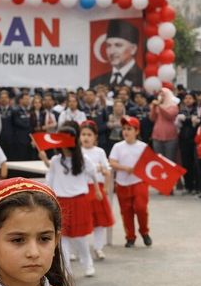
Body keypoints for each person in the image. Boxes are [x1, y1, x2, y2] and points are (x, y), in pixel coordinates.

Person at [46, 125, 102, 277]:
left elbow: (93, 175)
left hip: (78, 201)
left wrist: (97, 190)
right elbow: (49, 180)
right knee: (61, 237)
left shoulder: (83, 159)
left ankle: (88, 264)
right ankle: (66, 269)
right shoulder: (56, 161)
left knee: (79, 238)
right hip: (61, 202)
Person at [109, 115, 152, 248]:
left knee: (141, 208)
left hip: (139, 182)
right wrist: (125, 168)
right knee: (126, 211)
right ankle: (130, 237)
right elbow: (112, 162)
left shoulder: (143, 146)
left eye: (129, 129)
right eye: (124, 129)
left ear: (137, 131)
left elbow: (149, 163)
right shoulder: (118, 146)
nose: (126, 131)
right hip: (122, 183)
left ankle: (144, 231)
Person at [81, 121, 115, 260]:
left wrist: (106, 188)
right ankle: (76, 249)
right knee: (81, 221)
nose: (86, 137)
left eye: (89, 134)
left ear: (95, 137)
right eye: (83, 134)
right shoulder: (77, 152)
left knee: (99, 222)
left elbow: (107, 171)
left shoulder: (99, 151)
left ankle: (98, 247)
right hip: (81, 190)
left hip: (97, 190)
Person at [91, 18, 143, 88]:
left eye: (118, 45)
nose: (112, 52)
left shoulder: (142, 78)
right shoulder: (96, 82)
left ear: (133, 49)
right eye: (108, 46)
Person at [149, 88, 180, 184]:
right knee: (159, 160)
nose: (161, 96)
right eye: (160, 94)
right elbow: (152, 118)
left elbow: (169, 116)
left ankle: (170, 183)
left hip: (170, 136)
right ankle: (161, 183)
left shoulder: (173, 106)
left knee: (169, 160)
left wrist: (160, 106)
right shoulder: (158, 106)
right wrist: (154, 108)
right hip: (157, 135)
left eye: (163, 95)